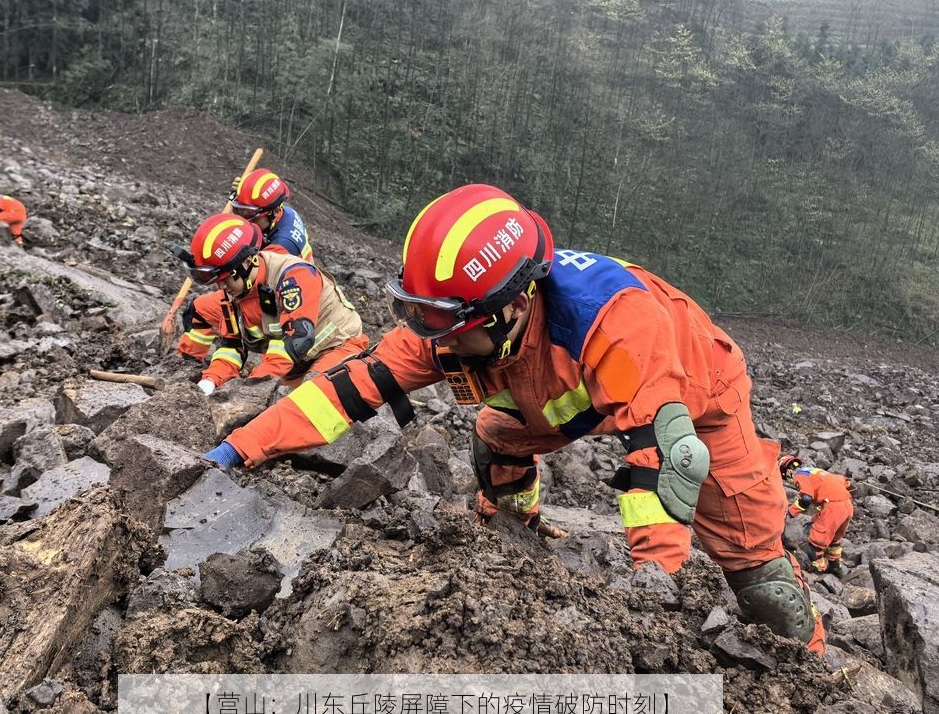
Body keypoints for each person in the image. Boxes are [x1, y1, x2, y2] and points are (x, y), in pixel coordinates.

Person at [203, 184, 825, 654]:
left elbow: (662, 462)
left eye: (448, 325)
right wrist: (239, 450)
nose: (433, 340)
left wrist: (648, 601)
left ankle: (813, 667)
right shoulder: (454, 323)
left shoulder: (618, 324)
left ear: (512, 305)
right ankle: (514, 530)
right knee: (496, 440)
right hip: (558, 391)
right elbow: (344, 393)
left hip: (694, 398)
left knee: (757, 569)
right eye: (421, 316)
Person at [175, 212, 367, 396]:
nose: (221, 286)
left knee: (309, 401)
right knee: (274, 407)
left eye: (226, 279)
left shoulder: (294, 277)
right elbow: (231, 348)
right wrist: (209, 381)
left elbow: (298, 340)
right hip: (298, 363)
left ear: (247, 262)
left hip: (339, 347)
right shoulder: (233, 294)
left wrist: (250, 387)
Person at [780, 454, 854, 577]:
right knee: (834, 540)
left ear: (788, 471)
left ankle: (819, 571)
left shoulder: (800, 476)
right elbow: (847, 483)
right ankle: (835, 567)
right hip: (847, 506)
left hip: (833, 508)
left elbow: (806, 499)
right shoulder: (815, 472)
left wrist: (790, 512)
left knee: (814, 544)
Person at [230, 168, 313, 261]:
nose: (242, 220)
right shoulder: (283, 212)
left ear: (275, 211)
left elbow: (252, 271)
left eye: (250, 214)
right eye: (240, 210)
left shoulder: (280, 247)